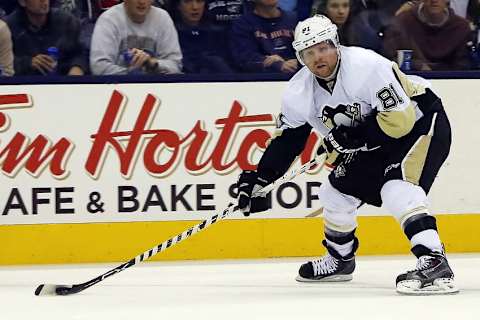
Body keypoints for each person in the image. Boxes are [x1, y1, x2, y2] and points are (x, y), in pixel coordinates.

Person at [235, 14, 458, 295]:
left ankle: (434, 260)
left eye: (323, 47)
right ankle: (340, 260)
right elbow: (288, 141)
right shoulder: (298, 91)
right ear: (300, 58)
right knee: (335, 192)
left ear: (336, 44)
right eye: (308, 52)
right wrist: (261, 179)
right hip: (374, 135)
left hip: (420, 121)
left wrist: (352, 137)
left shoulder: (367, 66)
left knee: (396, 187)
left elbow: (398, 122)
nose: (318, 57)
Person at [90, 0, 182, 75]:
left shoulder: (163, 18)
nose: (142, 2)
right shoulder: (108, 19)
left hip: (156, 87)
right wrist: (131, 74)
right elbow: (99, 67)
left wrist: (152, 63)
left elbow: (176, 65)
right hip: (117, 86)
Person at [383, 0, 472, 71]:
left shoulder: (461, 27)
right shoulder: (403, 21)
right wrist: (418, 66)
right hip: (412, 83)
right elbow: (387, 60)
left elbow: (462, 67)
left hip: (451, 84)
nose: (434, 0)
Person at [5, 0, 88, 76]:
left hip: (63, 81)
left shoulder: (67, 21)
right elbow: (3, 63)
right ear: (22, 2)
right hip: (24, 83)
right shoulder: (8, 26)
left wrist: (77, 67)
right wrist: (28, 63)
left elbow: (80, 52)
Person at [230, 0, 298, 73]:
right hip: (262, 78)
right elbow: (245, 57)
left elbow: (307, 49)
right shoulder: (242, 24)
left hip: (297, 77)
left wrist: (299, 61)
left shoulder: (294, 19)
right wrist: (275, 64)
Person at [169, 0, 233, 73]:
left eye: (199, 1)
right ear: (178, 6)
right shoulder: (170, 34)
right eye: (187, 1)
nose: (195, 7)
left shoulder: (217, 33)